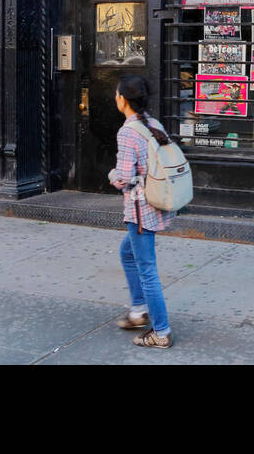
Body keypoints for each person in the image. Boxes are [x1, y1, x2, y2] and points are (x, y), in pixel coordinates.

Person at [108, 74, 174, 348]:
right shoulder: (154, 125)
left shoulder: (127, 132)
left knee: (147, 270)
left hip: (140, 210)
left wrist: (111, 174)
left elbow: (123, 177)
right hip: (157, 203)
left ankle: (161, 331)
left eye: (116, 94)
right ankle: (138, 311)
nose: (115, 98)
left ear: (123, 100)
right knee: (127, 252)